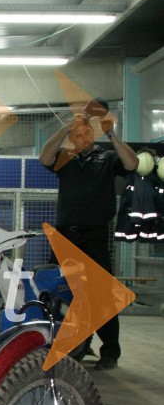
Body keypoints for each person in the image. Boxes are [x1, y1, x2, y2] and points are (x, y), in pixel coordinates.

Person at [38, 99, 138, 370]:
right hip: (65, 236)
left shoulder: (107, 158)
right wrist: (64, 130)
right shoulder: (66, 160)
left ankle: (110, 352)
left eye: (86, 133)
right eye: (77, 135)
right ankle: (72, 343)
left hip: (94, 235)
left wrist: (111, 134)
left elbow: (132, 163)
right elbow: (44, 157)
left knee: (100, 294)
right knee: (55, 290)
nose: (82, 138)